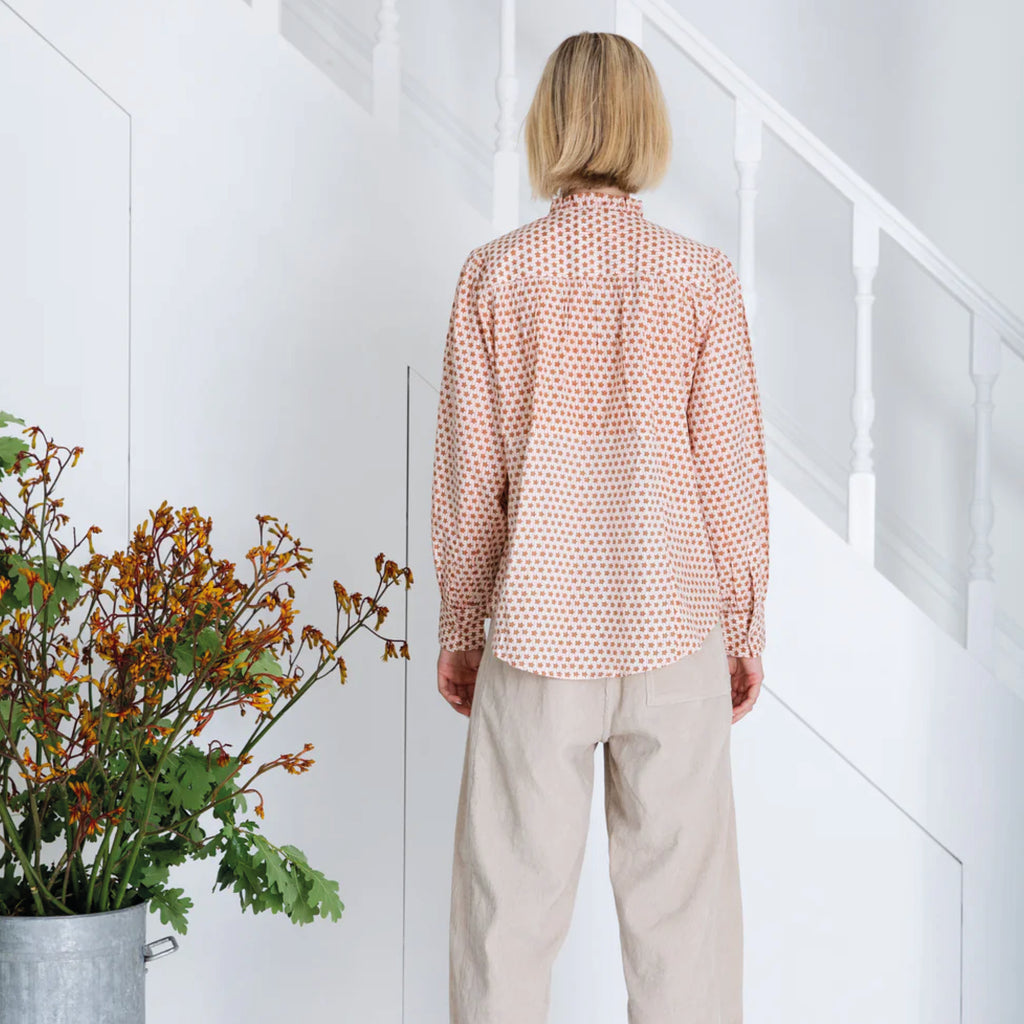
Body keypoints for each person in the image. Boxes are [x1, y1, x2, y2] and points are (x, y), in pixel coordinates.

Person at [430, 29, 768, 1024]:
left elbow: (468, 481)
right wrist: (742, 630)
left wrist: (461, 629)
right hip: (673, 630)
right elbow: (733, 479)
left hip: (537, 632)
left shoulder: (494, 276)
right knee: (685, 930)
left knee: (504, 921)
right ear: (646, 127)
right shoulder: (699, 279)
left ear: (549, 123)